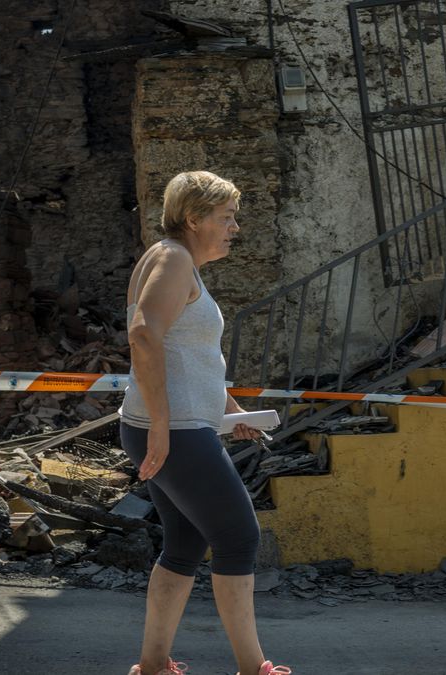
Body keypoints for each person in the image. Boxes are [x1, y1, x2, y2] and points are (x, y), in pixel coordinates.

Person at [119, 171, 291, 675]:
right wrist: (163, 424)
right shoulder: (173, 259)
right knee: (238, 539)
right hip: (173, 431)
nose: (236, 227)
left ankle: (152, 666)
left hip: (174, 425)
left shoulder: (171, 258)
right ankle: (251, 667)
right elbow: (143, 336)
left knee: (185, 543)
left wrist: (231, 412)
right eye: (227, 217)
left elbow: (186, 359)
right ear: (193, 218)